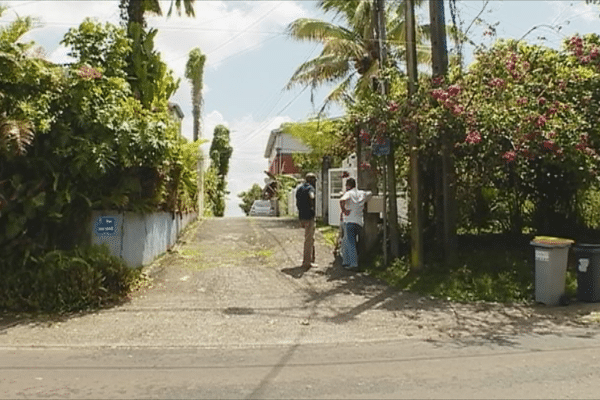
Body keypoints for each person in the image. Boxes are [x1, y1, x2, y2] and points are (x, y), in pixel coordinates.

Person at [340, 177, 372, 271]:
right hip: (359, 221)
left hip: (349, 220)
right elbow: (370, 193)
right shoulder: (361, 193)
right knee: (351, 241)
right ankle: (346, 261)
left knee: (350, 243)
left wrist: (344, 210)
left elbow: (342, 200)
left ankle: (353, 263)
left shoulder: (349, 193)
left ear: (348, 186)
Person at [296, 172, 317, 268]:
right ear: (312, 180)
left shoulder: (299, 188)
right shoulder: (310, 188)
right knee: (308, 239)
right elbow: (311, 196)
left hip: (301, 217)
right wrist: (312, 206)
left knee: (310, 238)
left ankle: (311, 258)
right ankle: (307, 262)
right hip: (309, 217)